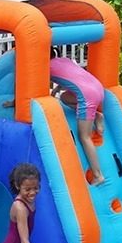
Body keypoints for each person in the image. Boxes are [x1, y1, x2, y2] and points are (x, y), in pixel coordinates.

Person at [50, 51, 106, 185]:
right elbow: (71, 75)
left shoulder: (46, 67)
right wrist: (57, 89)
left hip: (87, 96)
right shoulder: (64, 60)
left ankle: (98, 175)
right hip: (98, 89)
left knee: (84, 137)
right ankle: (96, 115)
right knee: (64, 97)